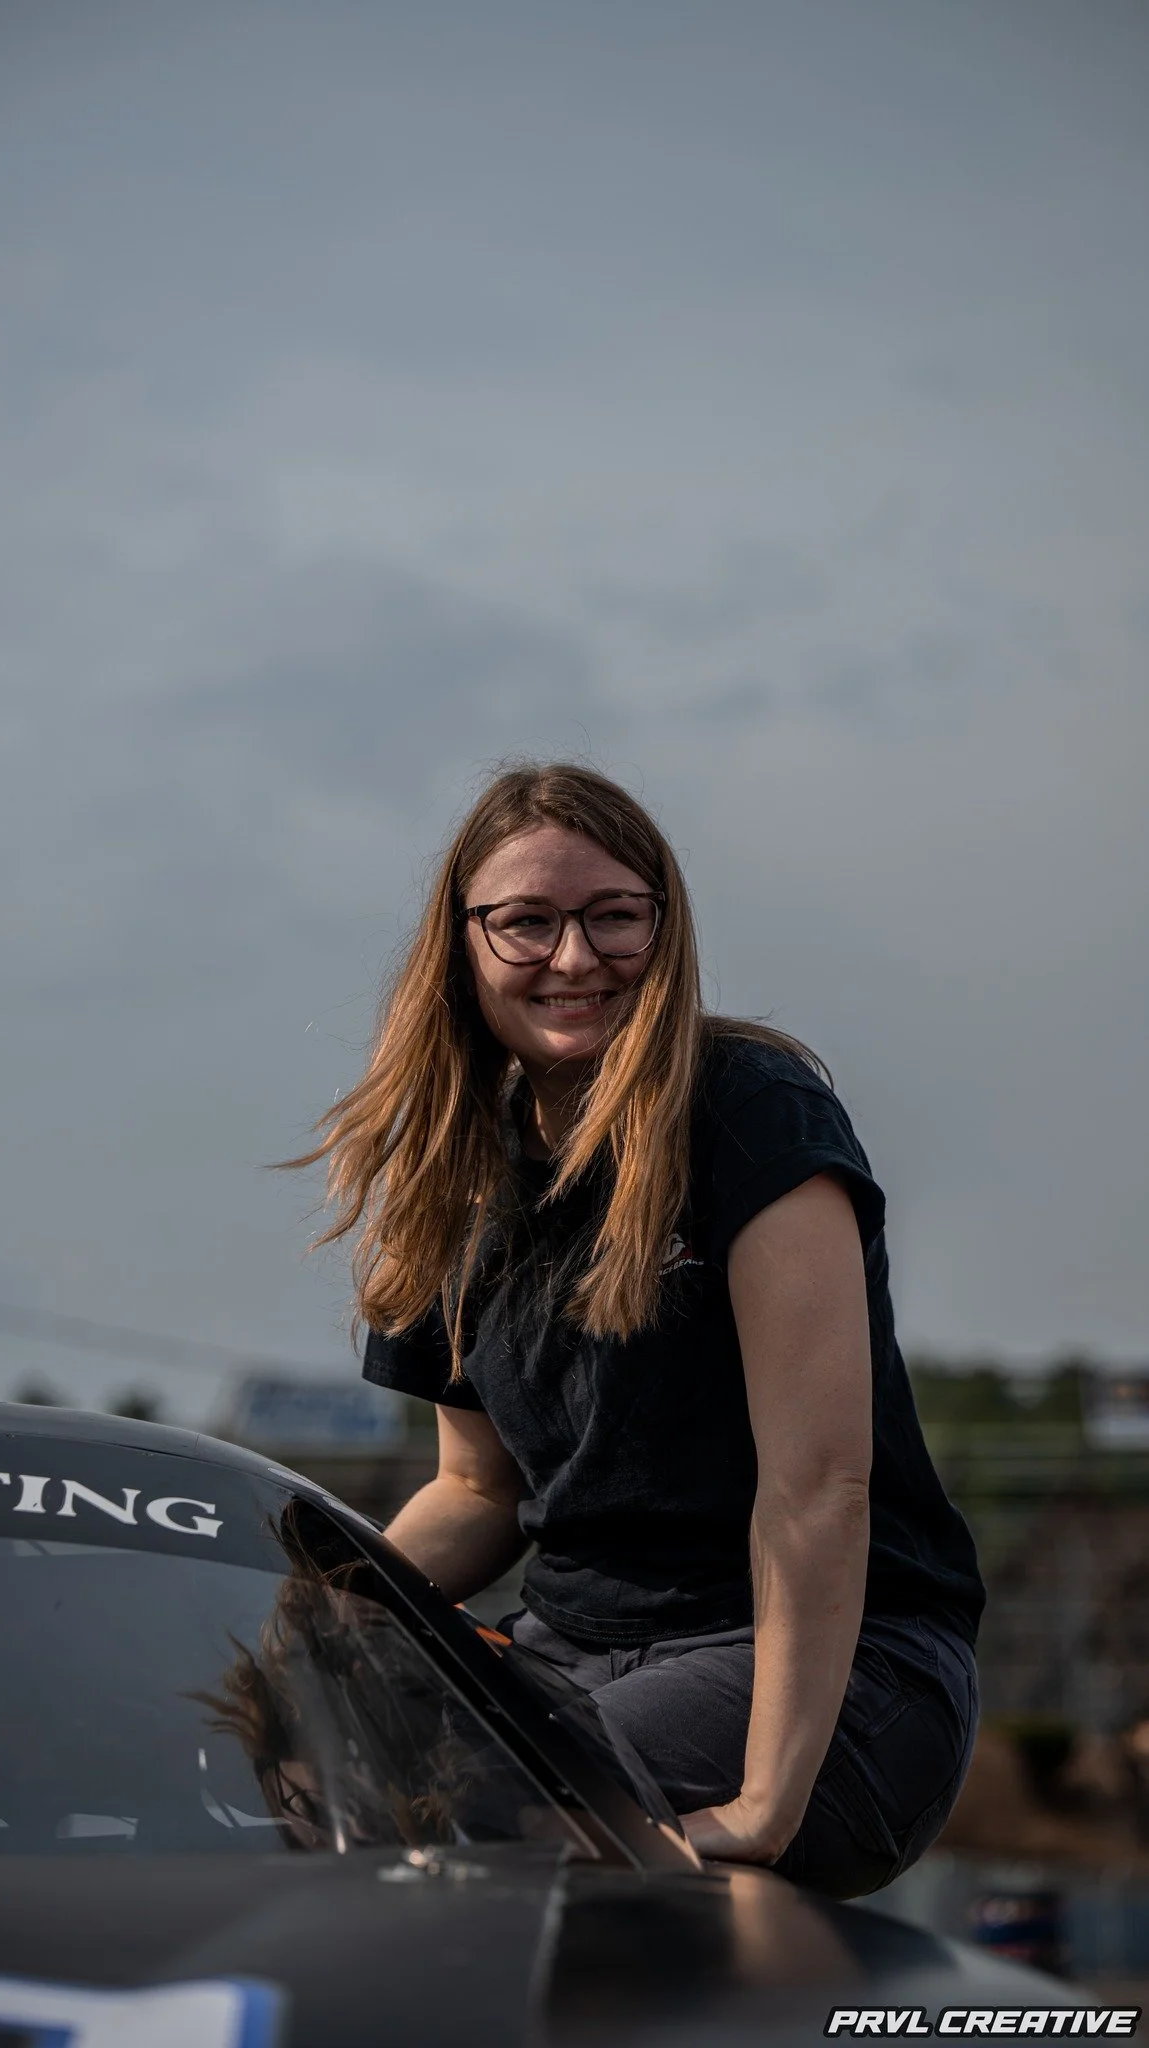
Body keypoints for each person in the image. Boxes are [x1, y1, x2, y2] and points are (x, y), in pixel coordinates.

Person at [296, 762, 983, 1897]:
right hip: (577, 1659)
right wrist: (301, 1615)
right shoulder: (453, 1170)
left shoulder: (752, 1109)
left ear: (665, 929)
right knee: (290, 1776)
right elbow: (476, 1492)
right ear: (462, 942)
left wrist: (764, 1804)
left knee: (476, 1805)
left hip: (831, 1677)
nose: (574, 957)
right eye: (527, 922)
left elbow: (820, 1489)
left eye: (615, 916)